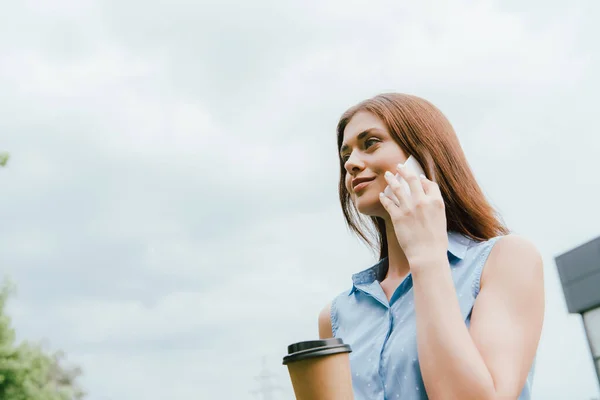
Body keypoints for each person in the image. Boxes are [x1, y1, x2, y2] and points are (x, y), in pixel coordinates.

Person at [318, 93, 545, 400]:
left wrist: (426, 256)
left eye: (370, 142)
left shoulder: (506, 260)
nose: (352, 164)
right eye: (346, 156)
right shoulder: (335, 316)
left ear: (422, 154)